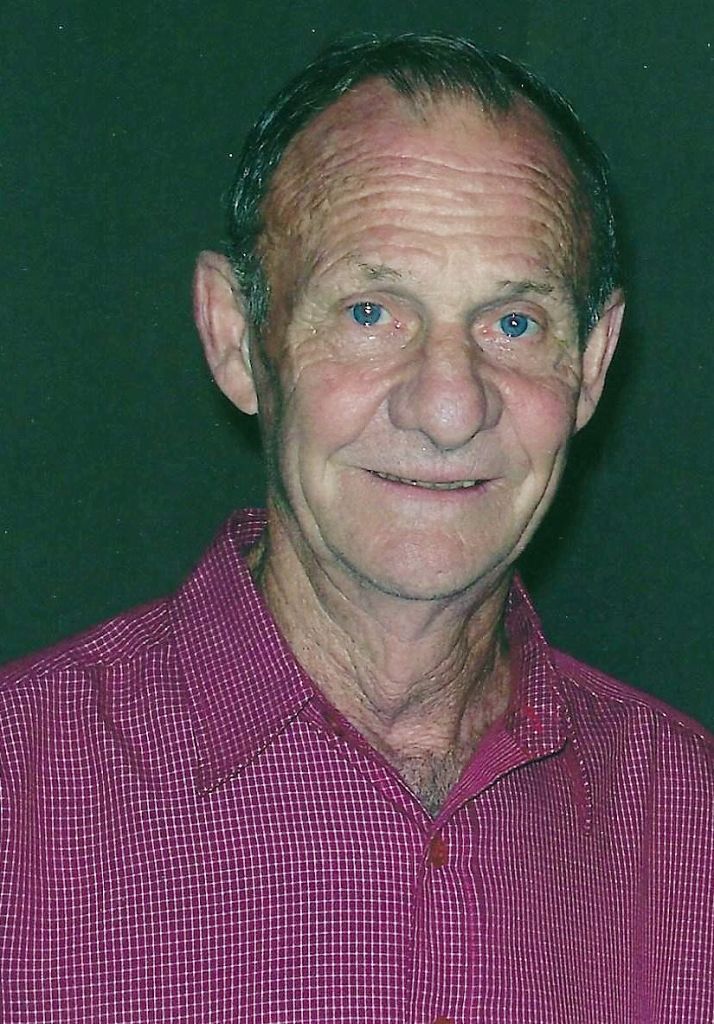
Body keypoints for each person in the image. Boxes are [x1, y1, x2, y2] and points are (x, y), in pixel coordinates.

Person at [1, 33, 711, 1024]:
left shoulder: (689, 822)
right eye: (371, 312)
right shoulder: (20, 794)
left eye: (514, 323)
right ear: (235, 337)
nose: (449, 406)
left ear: (591, 366)